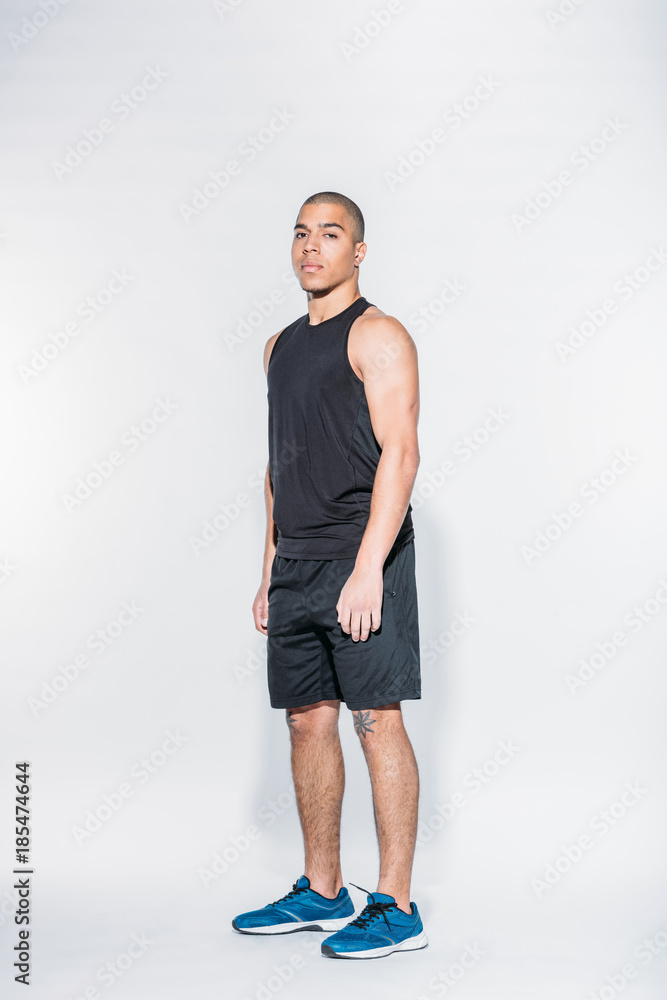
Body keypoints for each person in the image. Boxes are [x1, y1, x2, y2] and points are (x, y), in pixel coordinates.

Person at [232, 191, 426, 960]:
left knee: (375, 721)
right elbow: (277, 464)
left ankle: (397, 906)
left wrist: (369, 567)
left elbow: (401, 453)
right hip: (297, 564)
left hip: (361, 558)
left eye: (331, 233)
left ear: (358, 252)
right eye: (301, 233)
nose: (311, 246)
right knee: (306, 721)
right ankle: (321, 889)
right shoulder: (278, 346)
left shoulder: (379, 334)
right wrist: (268, 568)